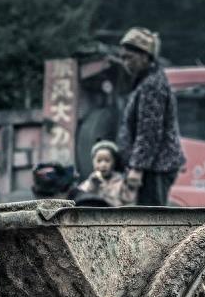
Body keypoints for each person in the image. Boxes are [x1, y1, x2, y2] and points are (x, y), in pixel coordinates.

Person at [116, 27, 186, 206]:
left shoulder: (152, 85)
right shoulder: (146, 82)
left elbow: (149, 131)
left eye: (129, 58)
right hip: (152, 166)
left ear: (145, 57)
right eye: (123, 58)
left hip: (156, 167)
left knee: (151, 223)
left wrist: (137, 168)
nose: (125, 63)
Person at [77, 140, 135, 206]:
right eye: (99, 161)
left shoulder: (120, 182)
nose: (103, 165)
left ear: (114, 163)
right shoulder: (91, 180)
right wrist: (92, 185)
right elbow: (80, 197)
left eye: (107, 161)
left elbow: (129, 201)